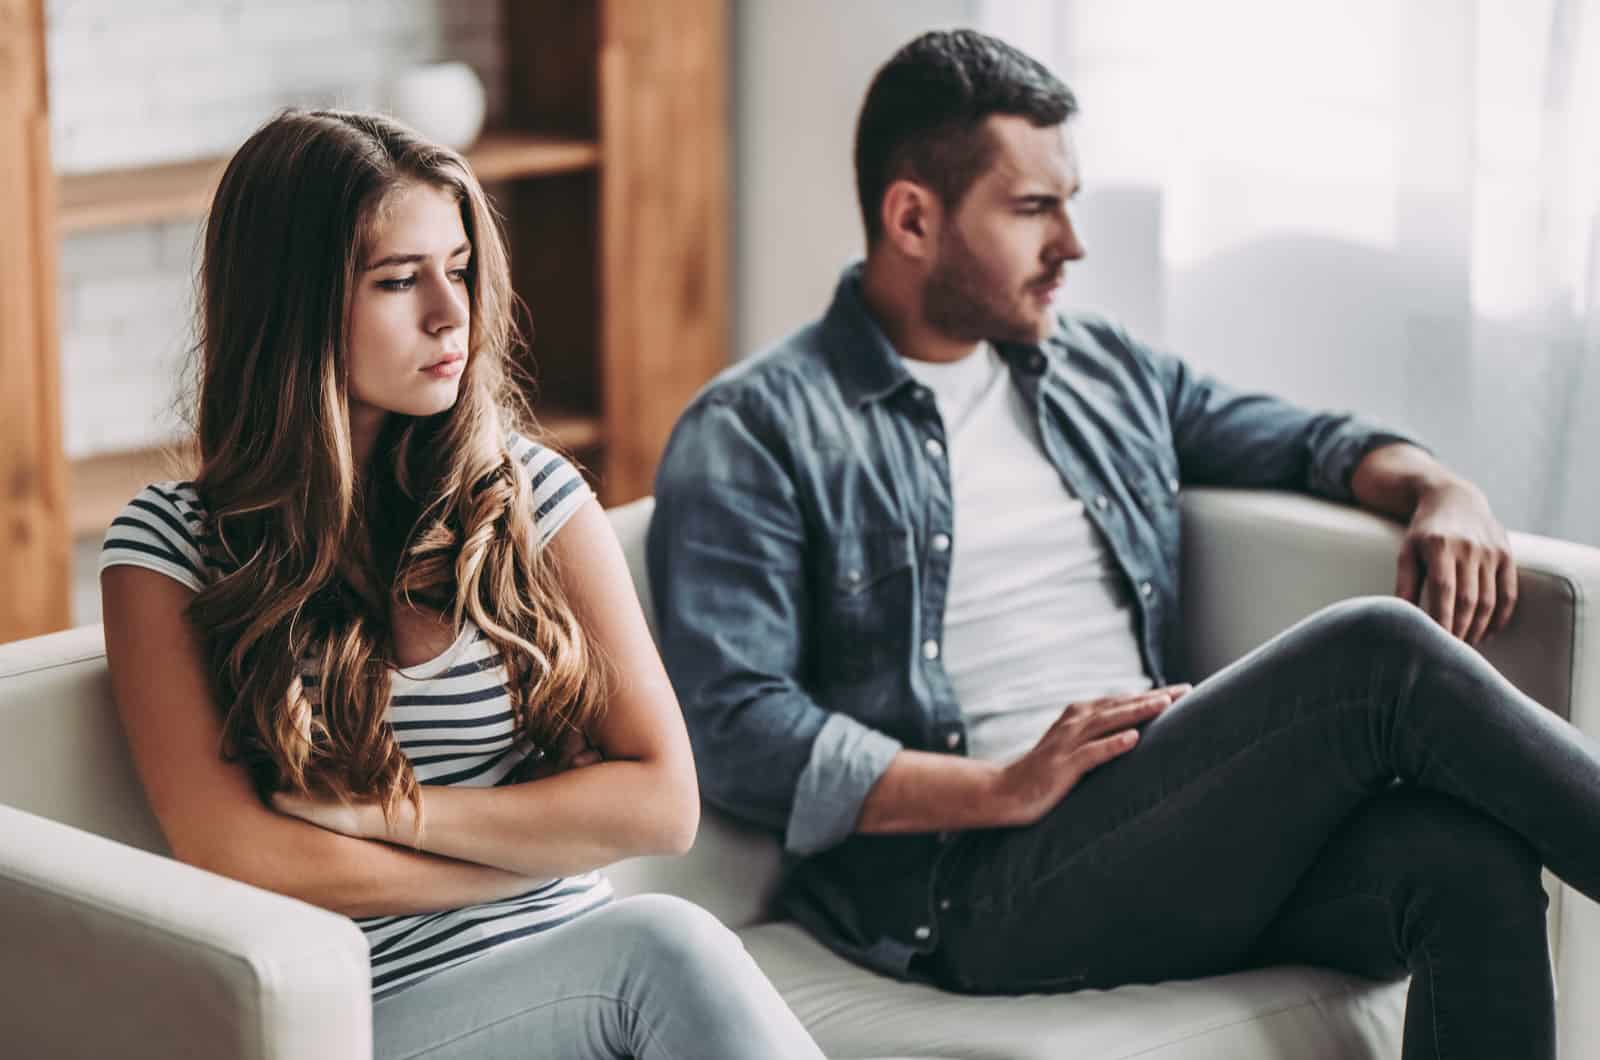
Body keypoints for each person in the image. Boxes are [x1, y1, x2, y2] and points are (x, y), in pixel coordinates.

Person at [647, 30, 1599, 1059]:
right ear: (912, 217)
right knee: (1378, 656)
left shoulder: (1094, 366)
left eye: (1069, 200)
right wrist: (1000, 787)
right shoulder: (757, 427)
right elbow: (736, 729)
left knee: (1465, 861)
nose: (1073, 242)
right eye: (1031, 208)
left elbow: (1304, 442)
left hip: (1152, 826)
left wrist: (1437, 484)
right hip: (971, 882)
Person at [99, 109, 822, 1060]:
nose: (452, 313)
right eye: (398, 281)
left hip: (582, 973)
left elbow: (661, 804)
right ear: (293, 306)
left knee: (657, 952)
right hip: (380, 1007)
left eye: (461, 268)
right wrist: (522, 860)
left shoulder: (533, 494)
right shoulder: (167, 549)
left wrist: (387, 816)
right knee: (665, 942)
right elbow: (239, 855)